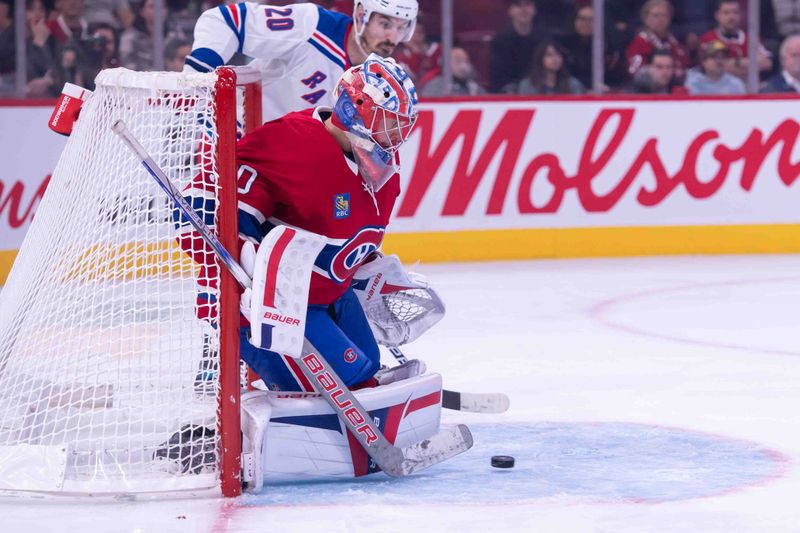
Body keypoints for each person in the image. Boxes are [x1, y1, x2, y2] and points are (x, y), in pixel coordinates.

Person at [178, 54, 418, 391]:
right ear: (354, 107)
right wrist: (250, 267)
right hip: (276, 308)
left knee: (368, 365)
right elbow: (208, 210)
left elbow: (348, 231)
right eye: (388, 120)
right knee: (351, 380)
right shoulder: (290, 142)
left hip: (325, 297)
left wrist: (368, 267)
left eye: (401, 123)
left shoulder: (382, 166)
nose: (397, 134)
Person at [183, 0, 419, 122]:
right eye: (385, 24)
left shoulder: (383, 80)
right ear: (360, 15)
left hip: (286, 171)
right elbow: (223, 21)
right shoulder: (313, 26)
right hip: (229, 143)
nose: (392, 37)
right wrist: (197, 78)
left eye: (401, 27)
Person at [700, 0, 772, 80]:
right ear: (717, 16)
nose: (731, 17)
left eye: (735, 12)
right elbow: (714, 67)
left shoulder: (751, 38)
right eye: (726, 13)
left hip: (749, 88)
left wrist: (736, 63)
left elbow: (767, 63)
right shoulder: (708, 38)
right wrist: (750, 65)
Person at [626, 0, 691, 82]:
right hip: (648, 90)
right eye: (655, 15)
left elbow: (685, 66)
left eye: (664, 15)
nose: (660, 19)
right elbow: (635, 72)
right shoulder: (640, 42)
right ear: (645, 18)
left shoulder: (675, 42)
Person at [489, 0, 541, 93]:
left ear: (534, 10)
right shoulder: (499, 42)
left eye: (528, 4)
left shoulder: (543, 40)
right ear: (510, 11)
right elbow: (500, 79)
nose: (524, 10)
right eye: (518, 5)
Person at [513, 40, 585, 95]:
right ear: (540, 59)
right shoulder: (528, 85)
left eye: (558, 55)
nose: (555, 59)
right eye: (549, 55)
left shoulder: (573, 84)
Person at [421, 46, 485, 97]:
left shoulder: (473, 87)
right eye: (458, 61)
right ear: (446, 64)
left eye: (466, 61)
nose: (463, 66)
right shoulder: (436, 86)